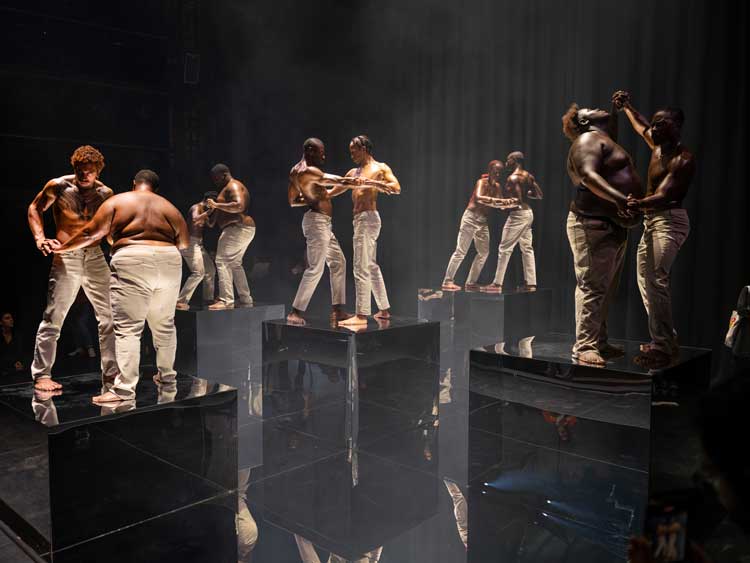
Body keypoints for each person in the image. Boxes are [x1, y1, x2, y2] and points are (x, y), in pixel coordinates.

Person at [50, 169, 189, 404]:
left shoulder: (119, 200)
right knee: (165, 326)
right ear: (155, 188)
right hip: (169, 260)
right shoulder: (168, 206)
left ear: (134, 183)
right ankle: (167, 378)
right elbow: (184, 242)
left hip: (133, 257)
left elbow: (90, 232)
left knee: (128, 328)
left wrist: (61, 248)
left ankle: (124, 390)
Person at [27, 145, 119, 391]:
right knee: (54, 315)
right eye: (80, 170)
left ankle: (111, 374)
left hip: (95, 255)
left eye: (89, 171)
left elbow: (108, 228)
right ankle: (42, 374)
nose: (84, 175)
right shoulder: (58, 186)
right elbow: (35, 208)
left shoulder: (106, 193)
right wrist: (40, 238)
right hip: (66, 254)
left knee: (109, 316)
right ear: (74, 167)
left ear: (97, 170)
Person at [613, 91, 695, 367]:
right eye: (655, 123)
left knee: (656, 280)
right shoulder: (657, 145)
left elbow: (664, 194)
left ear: (676, 126)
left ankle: (662, 346)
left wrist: (636, 204)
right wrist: (626, 107)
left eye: (662, 124)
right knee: (646, 282)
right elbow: (640, 124)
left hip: (669, 221)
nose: (655, 128)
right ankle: (666, 339)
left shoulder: (682, 159)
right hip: (652, 221)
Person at [562, 101, 644, 366]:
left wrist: (620, 109)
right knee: (592, 286)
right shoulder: (587, 139)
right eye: (589, 108)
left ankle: (598, 341)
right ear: (584, 121)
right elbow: (588, 175)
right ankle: (585, 345)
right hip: (592, 224)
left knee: (605, 288)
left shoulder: (603, 138)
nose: (595, 106)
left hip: (609, 224)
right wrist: (621, 200)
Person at [286, 138, 391, 326]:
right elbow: (337, 180)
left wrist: (314, 197)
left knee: (338, 262)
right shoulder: (308, 170)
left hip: (323, 223)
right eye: (320, 152)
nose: (324, 155)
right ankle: (295, 311)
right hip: (317, 223)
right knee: (316, 268)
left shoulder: (295, 171)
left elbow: (294, 200)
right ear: (310, 151)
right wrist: (366, 183)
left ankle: (338, 310)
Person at [338, 135, 400, 327]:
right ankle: (384, 309)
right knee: (371, 265)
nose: (351, 154)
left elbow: (396, 187)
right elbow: (337, 188)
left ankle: (361, 315)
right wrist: (316, 190)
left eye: (353, 150)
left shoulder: (380, 167)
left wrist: (372, 183)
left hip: (368, 218)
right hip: (359, 220)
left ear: (363, 147)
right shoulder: (353, 172)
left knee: (360, 266)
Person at [442, 160, 517, 291]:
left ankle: (471, 282)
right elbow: (478, 197)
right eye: (495, 172)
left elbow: (500, 205)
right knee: (461, 251)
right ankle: (447, 281)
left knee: (484, 252)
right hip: (471, 218)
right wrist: (499, 201)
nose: (497, 174)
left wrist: (510, 202)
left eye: (500, 173)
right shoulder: (481, 182)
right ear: (489, 171)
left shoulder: (498, 187)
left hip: (482, 221)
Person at [482, 151, 543, 293]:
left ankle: (497, 284)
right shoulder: (528, 176)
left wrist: (499, 204)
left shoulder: (512, 178)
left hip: (518, 215)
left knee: (504, 248)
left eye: (508, 159)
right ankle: (531, 284)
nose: (506, 162)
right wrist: (526, 193)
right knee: (527, 248)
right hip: (528, 213)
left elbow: (516, 202)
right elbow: (539, 195)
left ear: (514, 160)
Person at [205, 164, 255, 310]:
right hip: (242, 228)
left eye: (216, 178)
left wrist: (216, 205)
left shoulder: (233, 186)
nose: (215, 182)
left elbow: (239, 205)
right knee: (235, 263)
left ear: (224, 174)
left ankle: (226, 300)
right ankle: (245, 298)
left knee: (221, 261)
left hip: (237, 227)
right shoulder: (231, 186)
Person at [176, 191, 218, 310]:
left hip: (199, 244)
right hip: (189, 242)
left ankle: (208, 299)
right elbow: (195, 219)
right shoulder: (196, 207)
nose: (215, 204)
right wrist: (209, 211)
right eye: (214, 202)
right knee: (198, 273)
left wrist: (215, 211)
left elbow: (210, 225)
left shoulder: (205, 211)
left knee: (210, 269)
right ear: (209, 199)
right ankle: (181, 301)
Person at [0, 312, 27, 376]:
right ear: (1, 322)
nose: (11, 320)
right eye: (7, 318)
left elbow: (20, 352)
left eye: (11, 318)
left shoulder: (17, 335)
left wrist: (19, 362)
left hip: (15, 369)